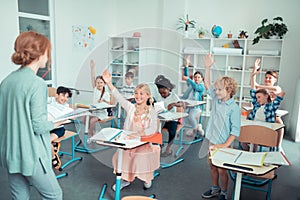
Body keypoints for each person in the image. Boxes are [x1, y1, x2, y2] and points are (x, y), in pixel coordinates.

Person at [0, 31, 64, 199]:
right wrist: (56, 123)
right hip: (31, 154)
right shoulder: (37, 84)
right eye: (47, 52)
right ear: (39, 54)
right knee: (54, 195)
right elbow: (38, 126)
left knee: (19, 197)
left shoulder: (6, 82)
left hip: (10, 153)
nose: (48, 57)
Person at [102, 69, 160, 191]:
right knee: (121, 156)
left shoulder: (151, 111)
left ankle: (147, 178)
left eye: (141, 94)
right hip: (129, 143)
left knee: (140, 159)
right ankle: (125, 179)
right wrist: (109, 83)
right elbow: (119, 97)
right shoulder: (131, 107)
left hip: (143, 144)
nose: (138, 96)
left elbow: (153, 129)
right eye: (136, 93)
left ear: (148, 96)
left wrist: (139, 134)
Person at [202, 54, 241, 200]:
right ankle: (215, 189)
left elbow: (235, 131)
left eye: (219, 90)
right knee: (212, 166)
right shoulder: (217, 101)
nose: (216, 92)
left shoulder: (234, 108)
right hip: (212, 140)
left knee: (222, 169)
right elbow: (207, 84)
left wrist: (224, 145)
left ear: (229, 91)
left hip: (225, 143)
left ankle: (224, 192)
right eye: (216, 89)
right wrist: (207, 67)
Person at [251, 58, 285, 151]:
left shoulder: (276, 88)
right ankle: (252, 145)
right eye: (266, 77)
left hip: (271, 113)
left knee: (280, 124)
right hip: (261, 112)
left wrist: (258, 85)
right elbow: (253, 86)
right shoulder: (261, 89)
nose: (267, 79)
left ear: (275, 80)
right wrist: (254, 70)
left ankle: (278, 145)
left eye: (270, 78)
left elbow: (277, 91)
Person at [155, 75, 184, 157]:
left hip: (172, 119)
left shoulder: (173, 96)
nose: (162, 95)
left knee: (172, 130)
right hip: (162, 119)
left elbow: (181, 103)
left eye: (164, 93)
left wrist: (174, 104)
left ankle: (168, 148)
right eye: (161, 93)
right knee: (155, 128)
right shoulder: (159, 97)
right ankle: (159, 145)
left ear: (169, 89)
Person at [48, 86, 73, 170]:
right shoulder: (50, 101)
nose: (65, 98)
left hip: (58, 129)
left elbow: (72, 118)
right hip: (47, 128)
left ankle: (53, 157)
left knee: (47, 141)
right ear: (56, 95)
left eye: (67, 97)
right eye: (63, 95)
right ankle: (53, 148)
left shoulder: (67, 108)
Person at [182, 55, 206, 137]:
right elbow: (187, 77)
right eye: (195, 77)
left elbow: (196, 86)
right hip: (189, 106)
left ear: (202, 79)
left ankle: (196, 128)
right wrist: (186, 66)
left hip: (196, 108)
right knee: (184, 116)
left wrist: (188, 79)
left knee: (191, 116)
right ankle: (195, 127)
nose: (196, 79)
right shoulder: (191, 84)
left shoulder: (201, 86)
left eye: (199, 77)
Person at [88, 59, 111, 137]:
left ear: (104, 84)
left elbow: (109, 104)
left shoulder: (106, 93)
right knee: (84, 118)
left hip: (102, 113)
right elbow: (92, 77)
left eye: (101, 82)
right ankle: (93, 130)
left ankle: (90, 134)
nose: (99, 84)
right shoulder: (95, 90)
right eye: (97, 82)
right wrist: (92, 68)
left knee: (92, 120)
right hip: (94, 111)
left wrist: (103, 100)